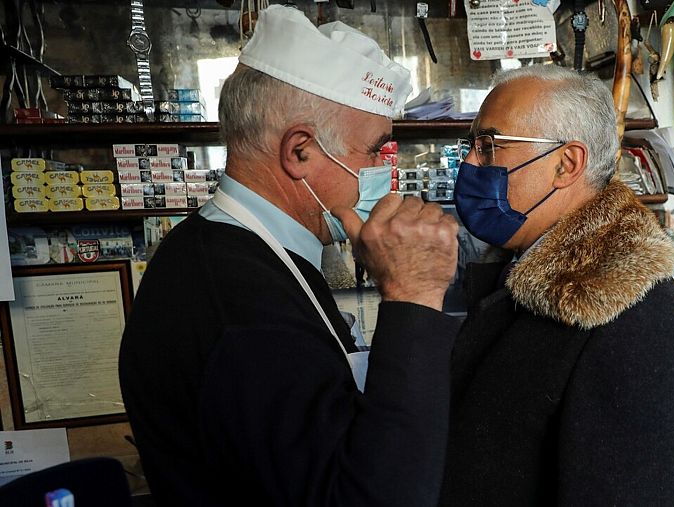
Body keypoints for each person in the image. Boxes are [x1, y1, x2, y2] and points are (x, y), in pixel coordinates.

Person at [119, 6, 460, 506]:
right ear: (299, 151)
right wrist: (413, 293)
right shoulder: (240, 305)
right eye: (373, 152)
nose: (380, 174)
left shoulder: (236, 250)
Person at [439, 65, 674, 506]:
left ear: (566, 164)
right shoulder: (517, 274)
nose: (470, 163)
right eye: (472, 146)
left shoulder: (635, 326)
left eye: (489, 146)